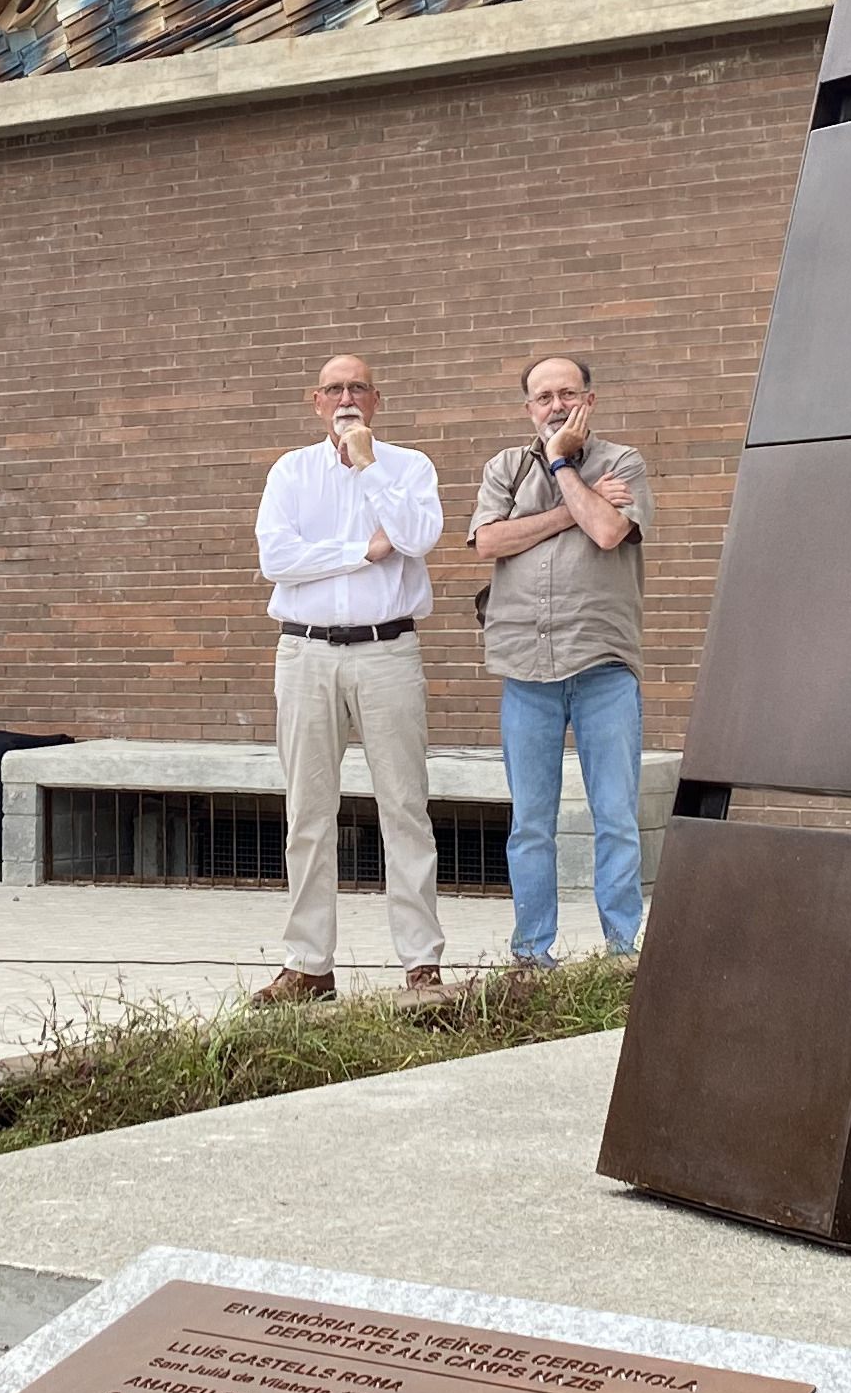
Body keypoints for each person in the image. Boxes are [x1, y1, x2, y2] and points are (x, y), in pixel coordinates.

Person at [250, 354, 444, 1005]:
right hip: (305, 655)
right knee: (306, 810)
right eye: (333, 388)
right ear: (315, 400)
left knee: (405, 806)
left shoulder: (408, 467)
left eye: (356, 387)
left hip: (386, 653)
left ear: (376, 398)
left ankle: (421, 964)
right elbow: (277, 559)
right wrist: (362, 551)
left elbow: (418, 537)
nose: (345, 397)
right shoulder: (290, 471)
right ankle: (309, 965)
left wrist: (367, 466)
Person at [467, 354, 650, 967]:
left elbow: (605, 532)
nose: (555, 406)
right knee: (531, 823)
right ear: (528, 408)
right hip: (525, 669)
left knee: (617, 815)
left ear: (588, 401)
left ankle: (623, 950)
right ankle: (531, 954)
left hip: (602, 665)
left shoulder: (623, 463)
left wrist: (566, 466)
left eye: (566, 394)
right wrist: (573, 503)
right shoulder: (504, 468)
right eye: (542, 397)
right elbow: (488, 541)